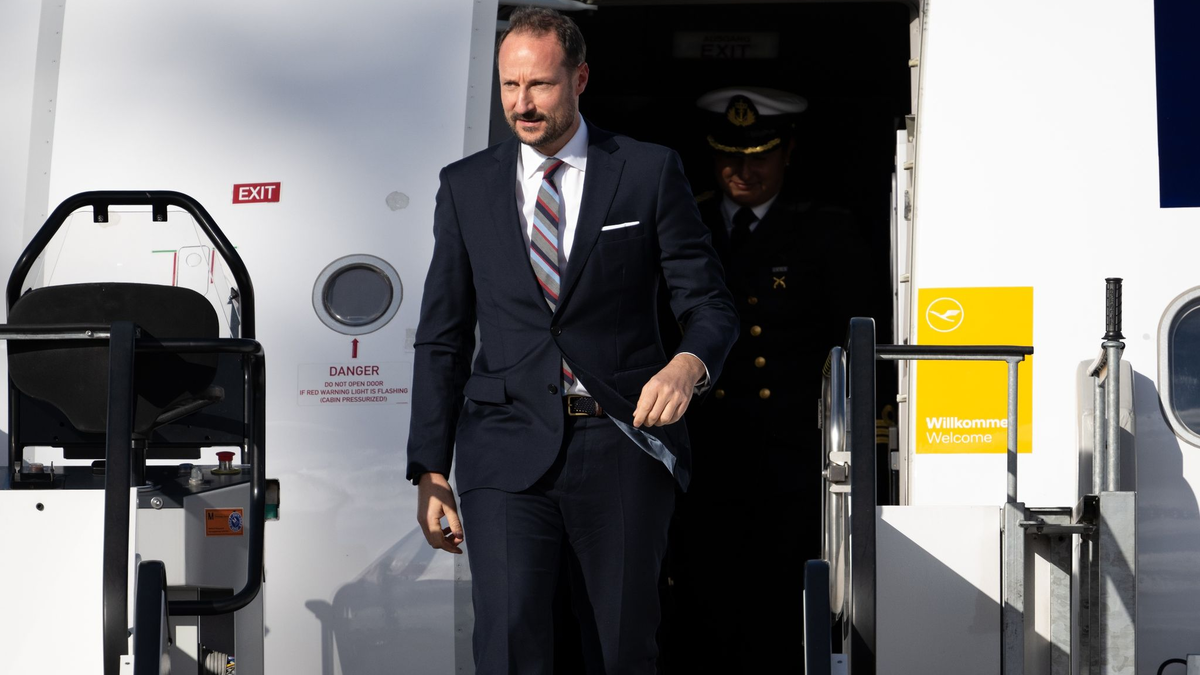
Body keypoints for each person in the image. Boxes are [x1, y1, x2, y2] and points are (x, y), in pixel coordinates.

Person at [405, 8, 738, 675]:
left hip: (619, 441)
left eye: (540, 85)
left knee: (620, 648)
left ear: (580, 78)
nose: (521, 104)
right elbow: (441, 337)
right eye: (508, 86)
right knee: (506, 638)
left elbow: (709, 303)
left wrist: (686, 364)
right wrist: (430, 469)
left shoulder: (646, 172)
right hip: (503, 445)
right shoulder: (465, 187)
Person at [665, 87, 871, 672]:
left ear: (788, 152)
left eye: (759, 154)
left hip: (789, 450)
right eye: (729, 155)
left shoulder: (825, 230)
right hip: (703, 445)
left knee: (779, 598)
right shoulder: (689, 222)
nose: (743, 170)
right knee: (703, 592)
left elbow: (850, 340)